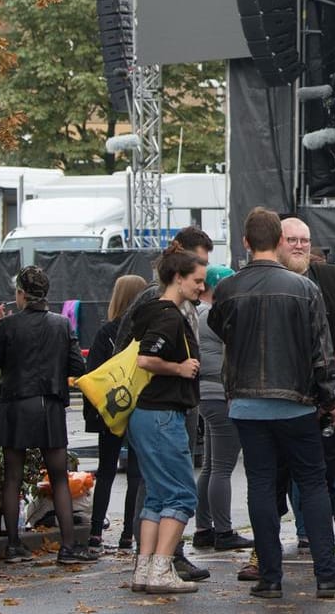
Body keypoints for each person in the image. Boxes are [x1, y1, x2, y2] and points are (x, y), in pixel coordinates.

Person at [209, 207, 335, 599]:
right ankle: (326, 574)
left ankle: (270, 575)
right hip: (296, 402)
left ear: (246, 242)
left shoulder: (229, 288)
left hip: (245, 401)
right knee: (312, 484)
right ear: (279, 241)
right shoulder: (304, 288)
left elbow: (218, 329)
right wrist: (330, 397)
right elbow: (320, 352)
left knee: (261, 484)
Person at [0, 266, 90, 565]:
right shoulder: (61, 324)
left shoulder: (7, 326)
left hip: (14, 404)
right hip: (49, 405)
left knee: (12, 477)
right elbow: (77, 367)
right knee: (58, 477)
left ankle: (14, 546)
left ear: (21, 293)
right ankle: (68, 547)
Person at [121, 248, 206, 593]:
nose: (202, 287)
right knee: (182, 494)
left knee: (157, 495)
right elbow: (146, 359)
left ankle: (146, 569)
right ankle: (161, 568)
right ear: (178, 278)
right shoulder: (169, 317)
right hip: (162, 414)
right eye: (197, 281)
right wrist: (180, 368)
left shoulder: (151, 311)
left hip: (145, 413)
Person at [280, 216, 335, 562]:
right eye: (291, 239)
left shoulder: (333, 281)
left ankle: (328, 553)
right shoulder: (262, 282)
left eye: (304, 240)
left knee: (321, 479)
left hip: (319, 397)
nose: (299, 245)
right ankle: (265, 558)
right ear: (277, 242)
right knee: (272, 480)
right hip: (276, 397)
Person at [85, 274, 149, 553]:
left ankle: (96, 531)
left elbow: (93, 374)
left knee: (107, 470)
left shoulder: (107, 332)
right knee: (136, 473)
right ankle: (128, 533)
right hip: (139, 407)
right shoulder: (147, 330)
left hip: (110, 408)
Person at [192, 264, 250, 552]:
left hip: (205, 393)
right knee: (223, 468)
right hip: (221, 392)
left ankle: (203, 528)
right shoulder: (215, 315)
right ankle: (224, 530)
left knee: (212, 466)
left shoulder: (196, 313)